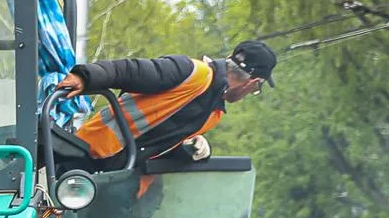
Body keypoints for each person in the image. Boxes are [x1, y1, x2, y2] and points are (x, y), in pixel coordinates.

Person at [58, 40, 276, 166]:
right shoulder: (193, 73)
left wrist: (189, 151)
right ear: (252, 83)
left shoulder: (214, 113)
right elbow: (129, 70)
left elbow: (157, 144)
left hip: (113, 176)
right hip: (86, 153)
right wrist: (86, 77)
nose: (253, 91)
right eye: (257, 88)